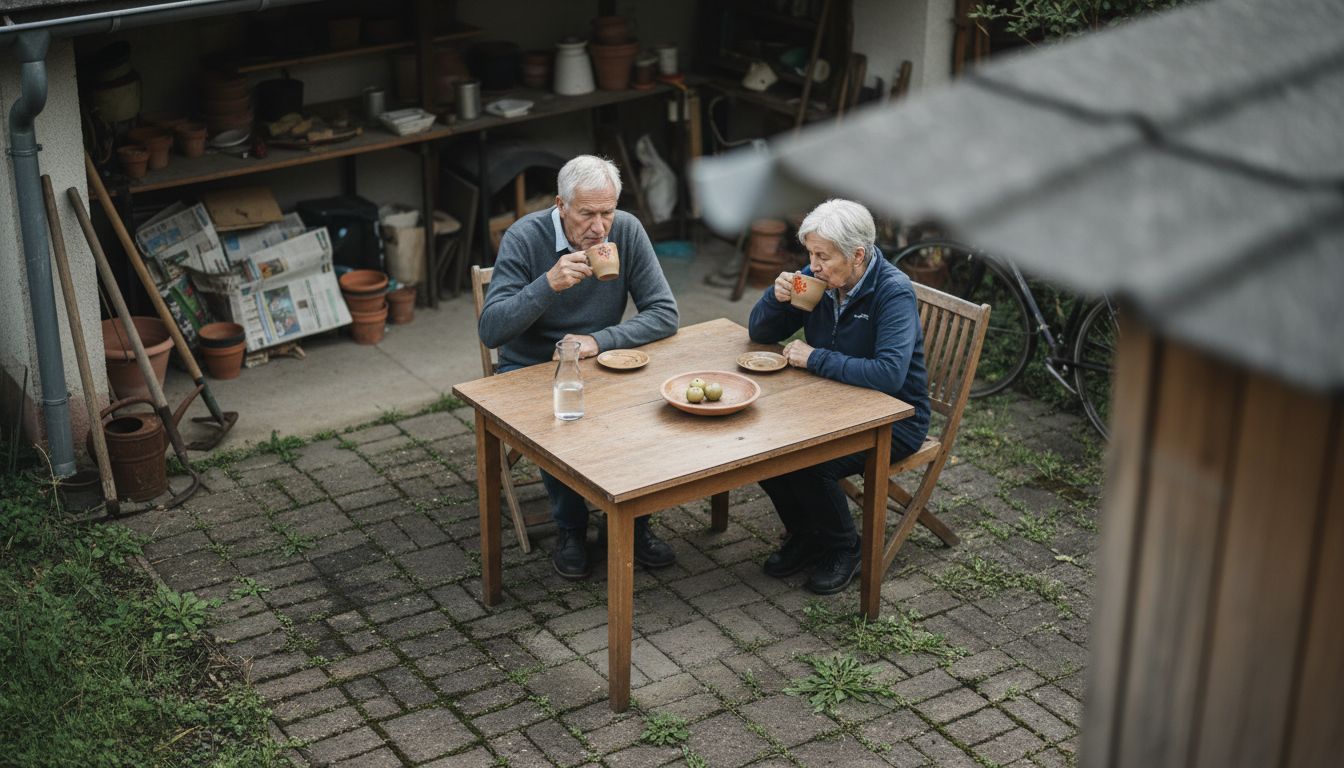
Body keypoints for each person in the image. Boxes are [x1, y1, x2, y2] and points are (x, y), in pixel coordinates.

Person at [477, 154, 680, 580]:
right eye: (587, 214)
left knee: (648, 408)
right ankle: (571, 527)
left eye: (607, 212)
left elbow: (664, 313)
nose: (600, 227)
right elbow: (492, 330)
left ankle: (631, 525)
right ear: (561, 205)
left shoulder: (626, 229)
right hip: (531, 364)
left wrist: (598, 340)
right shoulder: (525, 237)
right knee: (563, 417)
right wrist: (547, 284)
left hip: (600, 359)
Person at [747, 199, 931, 595]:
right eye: (810, 253)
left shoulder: (892, 292)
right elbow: (760, 333)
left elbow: (889, 374)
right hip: (830, 407)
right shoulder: (818, 279)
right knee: (758, 447)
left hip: (895, 418)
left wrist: (816, 358)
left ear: (857, 255)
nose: (812, 265)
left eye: (822, 256)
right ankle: (807, 533)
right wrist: (773, 297)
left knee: (811, 462)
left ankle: (844, 547)